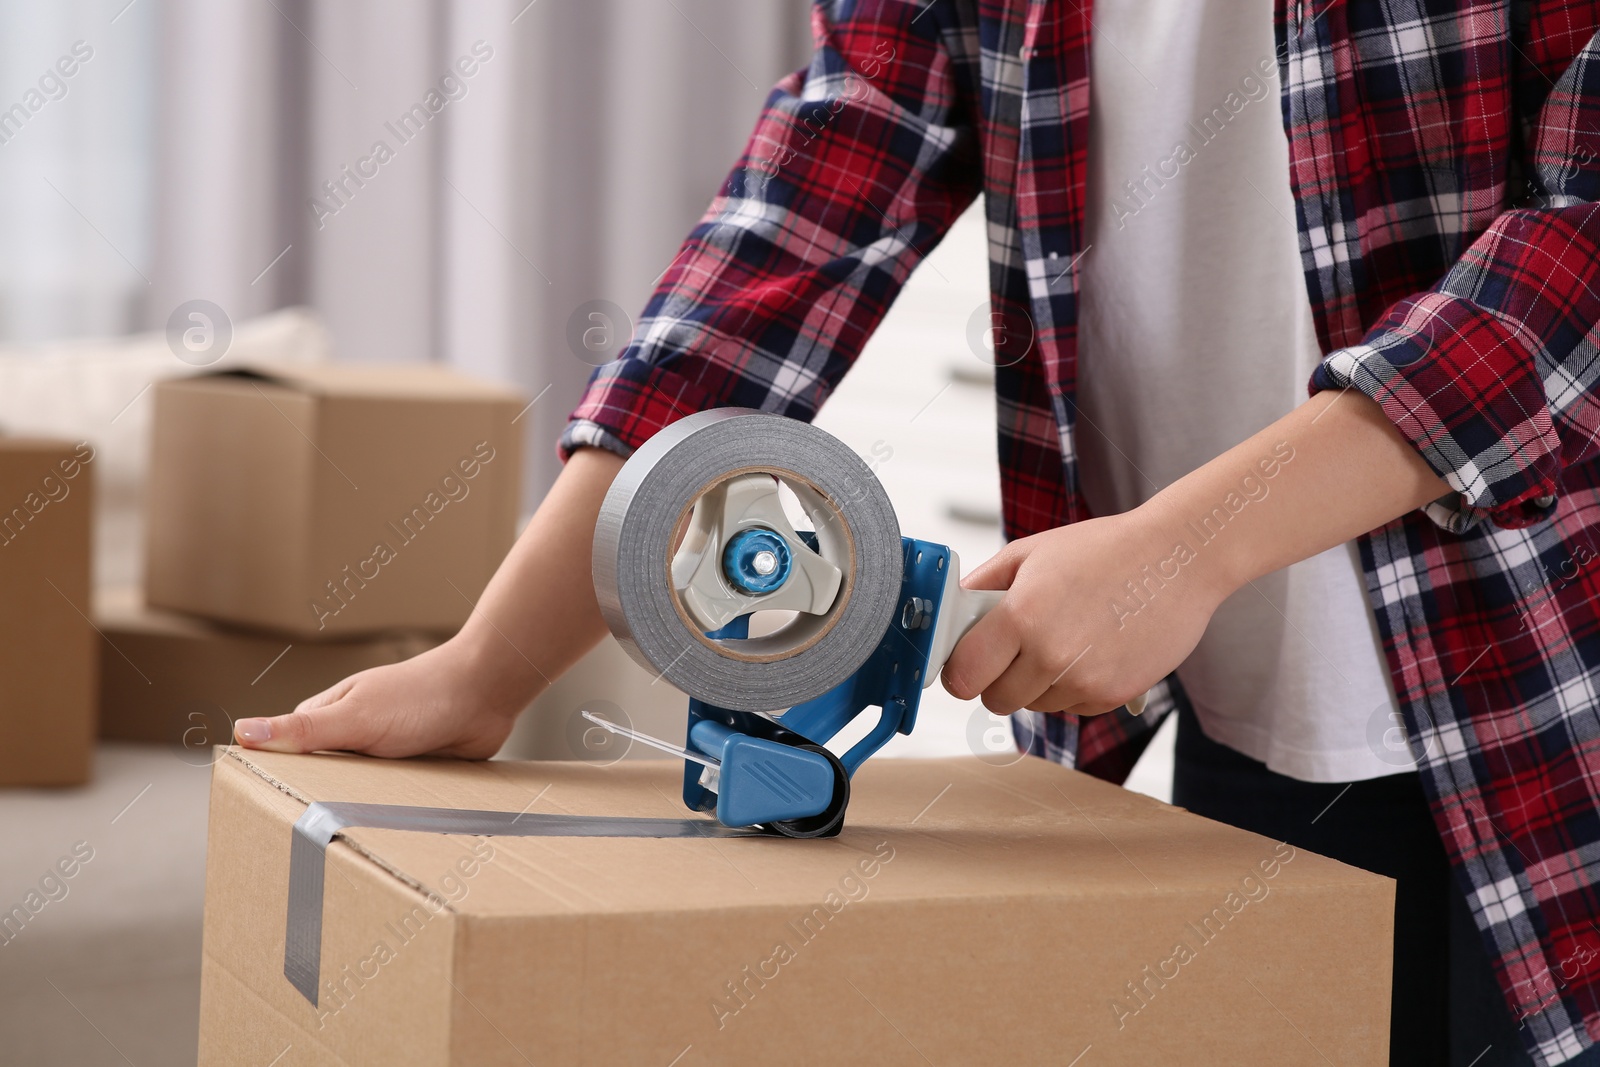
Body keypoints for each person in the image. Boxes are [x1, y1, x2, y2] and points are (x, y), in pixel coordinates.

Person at [233, 1, 1600, 1062]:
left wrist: (1189, 547)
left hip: (1550, 709)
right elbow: (791, 230)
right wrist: (487, 670)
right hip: (1257, 724)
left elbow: (1580, 256)